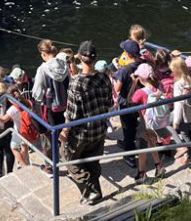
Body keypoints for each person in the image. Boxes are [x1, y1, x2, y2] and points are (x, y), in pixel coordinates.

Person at [60, 40, 113, 205]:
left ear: (80, 58)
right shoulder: (104, 77)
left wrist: (64, 132)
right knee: (92, 161)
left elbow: (72, 115)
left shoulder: (76, 83)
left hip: (82, 133)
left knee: (68, 158)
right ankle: (94, 194)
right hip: (100, 129)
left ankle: (90, 190)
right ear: (95, 58)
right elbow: (109, 103)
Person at [31, 39, 70, 174]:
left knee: (49, 138)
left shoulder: (42, 69)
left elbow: (36, 93)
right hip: (64, 107)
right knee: (63, 134)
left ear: (43, 54)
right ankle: (69, 162)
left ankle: (50, 167)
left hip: (49, 110)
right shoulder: (64, 65)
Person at [112, 38, 143, 169]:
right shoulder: (143, 63)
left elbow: (116, 89)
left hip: (127, 104)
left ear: (128, 54)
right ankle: (127, 143)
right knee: (134, 125)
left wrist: (114, 74)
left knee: (127, 129)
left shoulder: (124, 70)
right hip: (140, 101)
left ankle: (129, 157)